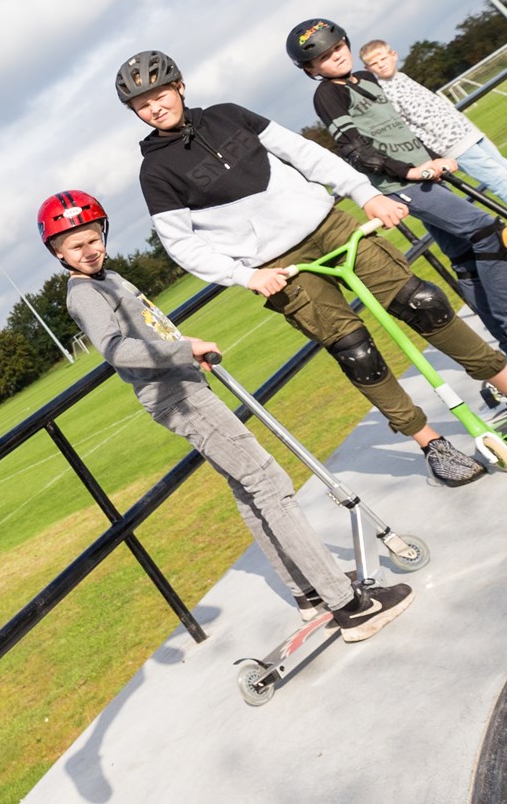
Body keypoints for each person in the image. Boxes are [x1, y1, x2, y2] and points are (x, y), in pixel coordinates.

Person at [118, 50, 507, 488]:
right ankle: (431, 444)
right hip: (278, 266)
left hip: (328, 225)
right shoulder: (155, 171)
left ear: (179, 86)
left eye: (160, 93)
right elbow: (180, 244)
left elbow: (305, 154)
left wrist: (366, 194)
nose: (155, 107)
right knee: (355, 351)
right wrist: (247, 276)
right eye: (142, 105)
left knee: (424, 302)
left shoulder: (228, 116)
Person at [42, 189, 412, 636]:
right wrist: (184, 350)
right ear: (57, 252)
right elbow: (117, 350)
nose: (89, 250)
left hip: (185, 387)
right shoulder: (83, 294)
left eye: (93, 238)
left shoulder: (109, 277)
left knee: (249, 488)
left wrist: (182, 351)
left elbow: (147, 329)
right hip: (179, 398)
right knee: (270, 484)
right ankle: (348, 604)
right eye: (75, 245)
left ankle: (309, 593)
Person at [288, 20, 507, 360]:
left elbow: (400, 131)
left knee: (466, 259)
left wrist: (433, 159)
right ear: (311, 69)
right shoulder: (328, 94)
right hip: (400, 184)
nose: (335, 57)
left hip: (424, 176)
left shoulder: (367, 79)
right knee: (487, 231)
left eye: (337, 47)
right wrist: (409, 171)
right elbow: (356, 150)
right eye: (324, 57)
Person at [357, 39, 507, 224]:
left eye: (383, 58)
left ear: (393, 55)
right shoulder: (385, 93)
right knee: (500, 179)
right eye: (374, 63)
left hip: (467, 132)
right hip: (450, 145)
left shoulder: (403, 78)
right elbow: (405, 128)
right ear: (368, 68)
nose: (381, 64)